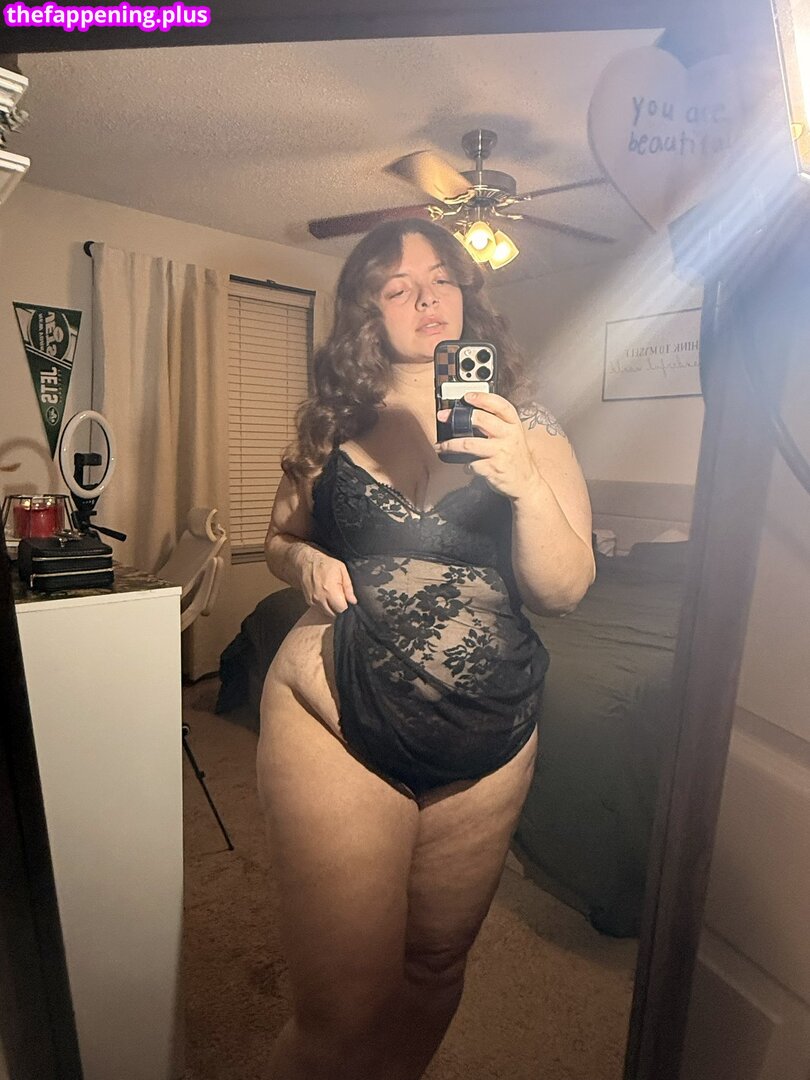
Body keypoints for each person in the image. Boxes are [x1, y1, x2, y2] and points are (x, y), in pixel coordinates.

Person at [257, 218, 595, 1080]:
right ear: (367, 309)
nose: (427, 297)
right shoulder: (331, 425)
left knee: (436, 967)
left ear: (467, 294)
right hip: (335, 713)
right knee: (340, 1015)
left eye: (442, 277)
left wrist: (522, 480)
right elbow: (277, 538)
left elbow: (563, 589)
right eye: (398, 286)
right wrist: (303, 562)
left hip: (491, 733)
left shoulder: (527, 426)